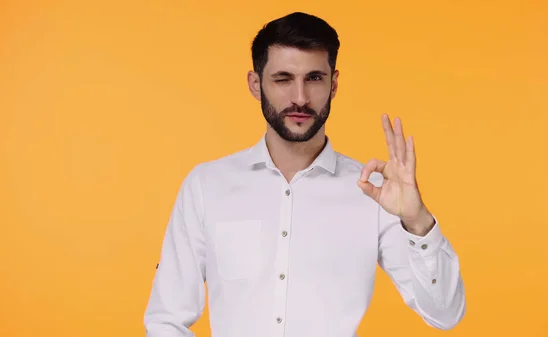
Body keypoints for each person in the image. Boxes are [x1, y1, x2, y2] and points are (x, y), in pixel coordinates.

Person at [143, 11, 466, 337]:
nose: (300, 97)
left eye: (313, 78)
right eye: (283, 79)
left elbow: (445, 314)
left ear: (334, 84)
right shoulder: (206, 186)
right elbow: (165, 319)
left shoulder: (374, 193)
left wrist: (418, 221)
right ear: (256, 85)